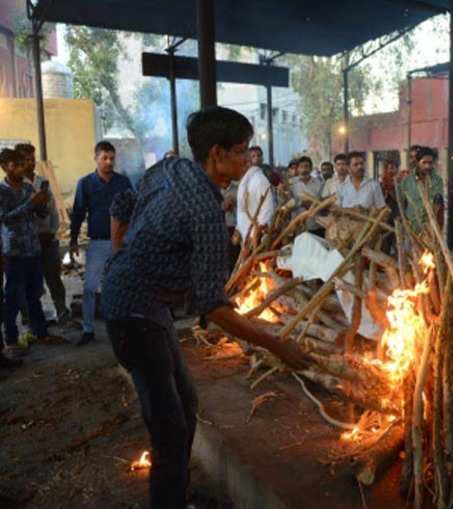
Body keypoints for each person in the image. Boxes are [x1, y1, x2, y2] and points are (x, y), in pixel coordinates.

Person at [102, 106, 308, 509]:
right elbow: (210, 307)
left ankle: (175, 489)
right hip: (134, 316)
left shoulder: (170, 169)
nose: (249, 157)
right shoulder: (206, 212)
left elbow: (123, 206)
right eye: (242, 150)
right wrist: (277, 345)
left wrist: (124, 257)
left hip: (147, 306)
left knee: (187, 403)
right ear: (216, 154)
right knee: (169, 429)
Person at [70, 141, 132, 346]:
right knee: (89, 287)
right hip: (97, 242)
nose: (108, 162)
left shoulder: (123, 182)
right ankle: (88, 329)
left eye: (111, 158)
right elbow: (78, 212)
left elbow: (134, 209)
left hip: (121, 242)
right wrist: (73, 240)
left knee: (118, 286)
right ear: (95, 158)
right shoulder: (86, 183)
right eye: (104, 158)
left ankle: (120, 326)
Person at [0, 149, 55, 358]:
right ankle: (11, 340)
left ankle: (40, 332)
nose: (23, 168)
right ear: (6, 167)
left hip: (33, 248)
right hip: (14, 251)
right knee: (13, 297)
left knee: (35, 294)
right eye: (18, 165)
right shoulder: (1, 191)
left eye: (24, 164)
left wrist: (42, 202)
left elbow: (38, 213)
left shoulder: (27, 186)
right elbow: (5, 218)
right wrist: (31, 203)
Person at [15, 143, 69, 323]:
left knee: (54, 279)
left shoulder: (42, 183)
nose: (30, 163)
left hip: (47, 241)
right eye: (25, 160)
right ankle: (29, 317)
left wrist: (52, 233)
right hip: (26, 244)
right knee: (29, 283)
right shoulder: (15, 186)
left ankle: (62, 311)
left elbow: (53, 211)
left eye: (32, 159)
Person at [236, 146, 276, 244]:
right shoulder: (245, 178)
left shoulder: (261, 179)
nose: (256, 158)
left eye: (258, 156)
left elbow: (268, 208)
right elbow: (241, 208)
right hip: (246, 230)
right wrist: (238, 228)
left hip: (257, 233)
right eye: (253, 156)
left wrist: (259, 230)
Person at [399, 146, 444, 232]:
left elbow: (439, 205)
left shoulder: (438, 181)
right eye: (424, 162)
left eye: (430, 163)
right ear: (417, 163)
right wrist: (405, 223)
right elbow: (401, 205)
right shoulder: (407, 181)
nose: (427, 166)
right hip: (412, 230)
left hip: (432, 231)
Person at [290, 155, 324, 236]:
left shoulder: (319, 183)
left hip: (316, 225)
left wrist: (313, 204)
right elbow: (288, 203)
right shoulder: (291, 184)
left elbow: (323, 202)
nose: (304, 169)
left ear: (311, 168)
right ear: (297, 169)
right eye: (301, 167)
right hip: (298, 226)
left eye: (307, 166)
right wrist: (301, 203)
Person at [222, 178, 240, 274]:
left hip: (235, 227)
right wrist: (223, 206)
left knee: (235, 253)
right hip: (222, 227)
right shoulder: (215, 190)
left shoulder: (237, 188)